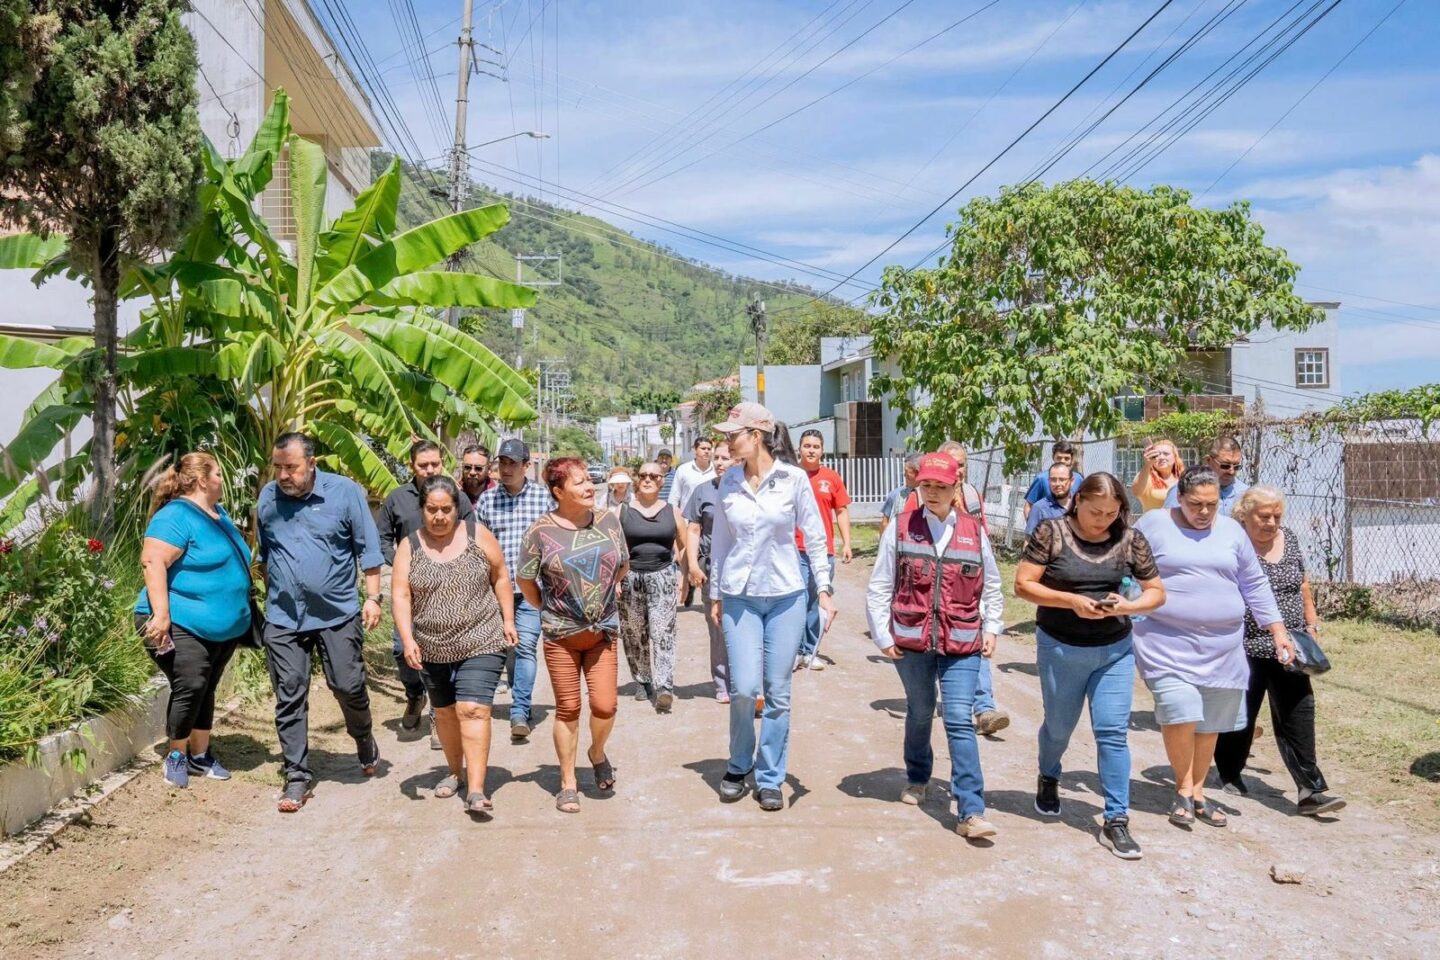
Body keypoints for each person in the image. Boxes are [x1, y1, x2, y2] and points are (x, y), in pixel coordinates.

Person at [1133, 466, 1296, 829]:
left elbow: (1254, 583)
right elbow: (1131, 571)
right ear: (1179, 498)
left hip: (1223, 647)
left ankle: (1198, 792)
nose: (1205, 512)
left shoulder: (1232, 531)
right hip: (1164, 641)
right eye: (1196, 504)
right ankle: (1182, 788)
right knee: (1181, 709)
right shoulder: (1154, 524)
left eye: (1211, 504)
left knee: (1208, 724)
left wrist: (1278, 631)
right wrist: (1128, 612)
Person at [1014, 473, 1166, 860]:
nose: (1103, 520)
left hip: (1114, 648)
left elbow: (1156, 592)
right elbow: (1023, 585)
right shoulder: (1052, 531)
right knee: (1060, 727)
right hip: (1061, 646)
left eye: (1112, 512)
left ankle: (1116, 819)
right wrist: (1072, 602)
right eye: (1096, 511)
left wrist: (1130, 606)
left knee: (1112, 732)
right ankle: (1049, 774)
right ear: (1077, 500)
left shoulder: (1130, 538)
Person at [867, 453, 1005, 840]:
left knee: (960, 718)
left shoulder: (973, 531)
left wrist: (992, 627)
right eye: (926, 485)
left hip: (962, 641)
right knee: (922, 710)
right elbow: (880, 584)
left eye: (940, 486)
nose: (931, 492)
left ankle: (971, 810)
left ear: (955, 487)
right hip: (912, 641)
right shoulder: (899, 527)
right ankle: (917, 775)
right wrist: (883, 634)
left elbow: (991, 584)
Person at [708, 403, 834, 812]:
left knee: (778, 693)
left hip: (786, 596)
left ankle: (770, 776)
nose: (727, 441)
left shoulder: (794, 479)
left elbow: (814, 536)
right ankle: (739, 761)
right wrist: (714, 594)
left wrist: (826, 589)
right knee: (744, 687)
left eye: (734, 434)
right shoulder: (728, 481)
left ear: (756, 436)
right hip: (740, 596)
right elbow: (722, 544)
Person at [256, 433, 385, 813]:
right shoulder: (268, 497)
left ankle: (363, 737)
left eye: (291, 467)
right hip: (283, 616)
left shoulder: (344, 493)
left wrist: (374, 598)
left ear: (311, 463)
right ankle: (296, 775)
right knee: (289, 693)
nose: (283, 475)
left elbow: (369, 550)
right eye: (278, 466)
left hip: (337, 613)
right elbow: (266, 553)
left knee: (347, 684)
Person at [1214, 487, 1345, 816]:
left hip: (1289, 647)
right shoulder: (1232, 541)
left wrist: (1312, 625)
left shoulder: (1290, 538)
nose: (1271, 522)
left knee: (1299, 712)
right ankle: (1229, 772)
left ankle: (1310, 789)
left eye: (1276, 516)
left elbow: (1302, 583)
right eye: (1264, 516)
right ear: (1244, 514)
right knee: (1240, 716)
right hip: (1244, 645)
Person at [392, 476, 517, 818]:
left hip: (481, 637)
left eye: (446, 509)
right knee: (445, 713)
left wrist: (507, 619)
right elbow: (401, 594)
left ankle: (476, 789)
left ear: (457, 509)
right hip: (431, 646)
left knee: (472, 710)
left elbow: (501, 574)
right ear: (422, 510)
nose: (439, 516)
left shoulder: (477, 535)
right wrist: (407, 638)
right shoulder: (410, 546)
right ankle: (454, 771)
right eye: (431, 509)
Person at [517, 458, 628, 814]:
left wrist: (607, 593)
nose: (588, 487)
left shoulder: (610, 520)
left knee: (605, 705)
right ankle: (567, 782)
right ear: (558, 491)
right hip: (561, 637)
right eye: (579, 483)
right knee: (568, 708)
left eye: (589, 481)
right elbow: (525, 578)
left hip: (603, 633)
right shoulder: (539, 531)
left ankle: (596, 752)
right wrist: (550, 610)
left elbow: (623, 563)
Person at [136, 453, 253, 789]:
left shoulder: (219, 515)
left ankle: (200, 756)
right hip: (177, 621)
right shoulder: (175, 516)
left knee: (206, 686)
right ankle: (176, 755)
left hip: (222, 629)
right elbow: (152, 562)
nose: (222, 479)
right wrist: (161, 614)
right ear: (202, 480)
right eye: (218, 473)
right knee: (192, 683)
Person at [377, 440, 473, 744]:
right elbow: (381, 540)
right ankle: (414, 695)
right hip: (408, 593)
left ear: (442, 463)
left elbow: (472, 536)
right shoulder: (396, 500)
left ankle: (438, 718)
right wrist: (402, 566)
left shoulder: (458, 499)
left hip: (447, 593)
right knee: (402, 652)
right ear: (412, 466)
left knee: (441, 656)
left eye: (434, 464)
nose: (429, 469)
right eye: (423, 465)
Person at [476, 438, 554, 743]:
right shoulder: (487, 501)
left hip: (532, 590)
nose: (505, 469)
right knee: (492, 649)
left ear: (526, 466)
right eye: (502, 463)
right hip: (494, 590)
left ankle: (520, 710)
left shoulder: (543, 499)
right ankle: (478, 705)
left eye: (512, 463)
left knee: (525, 647)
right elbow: (479, 545)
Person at [618, 461, 688, 711]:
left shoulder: (672, 511)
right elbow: (615, 546)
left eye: (654, 476)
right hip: (630, 577)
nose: (648, 479)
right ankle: (643, 679)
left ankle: (664, 685)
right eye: (643, 475)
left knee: (663, 631)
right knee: (635, 632)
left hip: (662, 576)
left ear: (662, 481)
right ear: (637, 479)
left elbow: (683, 544)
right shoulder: (623, 511)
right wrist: (615, 579)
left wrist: (684, 575)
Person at [795, 429, 852, 671]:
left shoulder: (831, 477)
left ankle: (810, 651)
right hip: (794, 549)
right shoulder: (791, 475)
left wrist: (846, 542)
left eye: (815, 446)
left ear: (822, 450)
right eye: (806, 445)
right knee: (795, 601)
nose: (811, 450)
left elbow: (841, 511)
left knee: (817, 602)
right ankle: (794, 651)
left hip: (823, 551)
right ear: (799, 448)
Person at [684, 439, 735, 702]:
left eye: (725, 458)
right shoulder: (702, 491)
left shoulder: (745, 488)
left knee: (740, 626)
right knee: (716, 626)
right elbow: (694, 530)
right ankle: (721, 681)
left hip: (741, 568)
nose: (718, 462)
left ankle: (743, 679)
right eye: (716, 457)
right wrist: (692, 565)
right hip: (711, 568)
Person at [669, 437, 716, 605]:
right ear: (695, 450)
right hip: (688, 523)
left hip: (709, 523)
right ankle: (689, 584)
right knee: (686, 559)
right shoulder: (684, 470)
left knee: (704, 557)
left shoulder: (716, 471)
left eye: (709, 448)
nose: (706, 451)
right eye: (703, 448)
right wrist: (675, 522)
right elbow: (674, 498)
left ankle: (696, 585)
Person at [1163, 436, 1249, 514]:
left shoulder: (1246, 494)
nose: (1231, 471)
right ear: (1208, 460)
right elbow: (1167, 524)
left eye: (1236, 466)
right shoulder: (1184, 489)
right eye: (1225, 465)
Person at [1023, 441, 1084, 523]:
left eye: (1066, 458)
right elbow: (1028, 506)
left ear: (1072, 459)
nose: (1063, 461)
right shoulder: (1042, 479)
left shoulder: (1078, 479)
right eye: (1059, 458)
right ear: (1053, 457)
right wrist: (1032, 529)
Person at [1131, 438, 1183, 512]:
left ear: (1175, 457)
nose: (1161, 457)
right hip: (1154, 522)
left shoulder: (1184, 477)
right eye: (1157, 455)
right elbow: (1136, 492)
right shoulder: (1146, 476)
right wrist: (1148, 465)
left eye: (1166, 454)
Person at [1024, 462, 1074, 536]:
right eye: (1053, 480)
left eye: (1062, 479)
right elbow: (1029, 541)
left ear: (1072, 481)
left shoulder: (1080, 506)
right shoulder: (1039, 509)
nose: (1057, 484)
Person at [879, 453, 923, 533]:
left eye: (906, 471)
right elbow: (885, 523)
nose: (904, 475)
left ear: (918, 472)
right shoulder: (897, 494)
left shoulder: (931, 496)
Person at [459, 444, 494, 511]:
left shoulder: (497, 495)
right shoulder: (454, 493)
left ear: (489, 468)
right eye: (467, 467)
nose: (472, 472)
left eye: (478, 468)